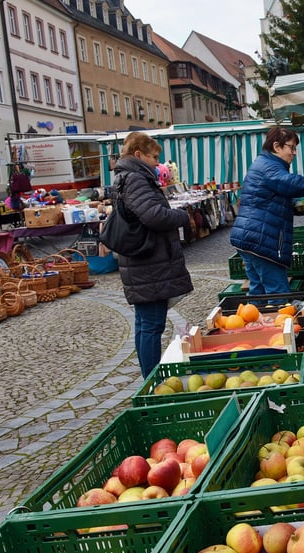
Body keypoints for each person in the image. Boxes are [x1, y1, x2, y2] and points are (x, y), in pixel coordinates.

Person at [112, 131, 194, 378]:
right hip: (149, 262)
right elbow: (153, 216)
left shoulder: (125, 176)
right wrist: (182, 216)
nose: (158, 164)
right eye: (154, 157)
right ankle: (151, 379)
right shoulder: (136, 178)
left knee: (145, 323)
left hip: (142, 260)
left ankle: (150, 376)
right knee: (151, 325)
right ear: (139, 155)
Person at [231, 126, 304, 295]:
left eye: (295, 148)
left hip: (250, 237)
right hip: (261, 241)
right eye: (291, 147)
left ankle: (259, 320)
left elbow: (275, 200)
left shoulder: (265, 164)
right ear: (277, 146)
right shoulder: (269, 167)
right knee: (277, 294)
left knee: (258, 292)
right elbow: (294, 184)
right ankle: (278, 319)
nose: (294, 153)